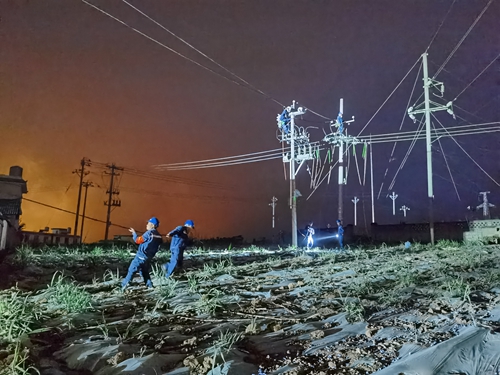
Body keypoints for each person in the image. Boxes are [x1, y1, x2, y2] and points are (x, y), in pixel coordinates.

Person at [121, 217, 163, 291]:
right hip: (148, 257)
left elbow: (137, 240)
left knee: (131, 270)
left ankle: (124, 285)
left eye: (148, 223)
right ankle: (149, 285)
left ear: (152, 225)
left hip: (140, 257)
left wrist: (134, 233)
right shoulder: (159, 236)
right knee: (145, 271)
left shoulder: (149, 233)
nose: (146, 225)